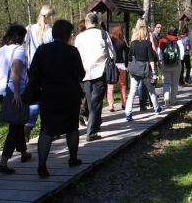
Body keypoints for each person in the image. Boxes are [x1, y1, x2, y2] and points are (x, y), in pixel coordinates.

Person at [28, 20, 86, 178]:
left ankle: (41, 165)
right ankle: (73, 159)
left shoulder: (41, 50)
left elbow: (33, 72)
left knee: (46, 130)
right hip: (69, 95)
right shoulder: (72, 51)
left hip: (48, 95)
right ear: (67, 35)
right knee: (72, 128)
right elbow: (80, 74)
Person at [0, 24, 32, 174]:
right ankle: (3, 162)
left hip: (1, 92)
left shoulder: (0, 51)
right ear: (21, 37)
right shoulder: (19, 50)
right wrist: (16, 92)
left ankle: (23, 153)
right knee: (15, 127)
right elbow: (15, 70)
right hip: (14, 91)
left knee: (17, 122)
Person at [74, 12, 115, 142]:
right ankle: (92, 131)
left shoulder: (79, 37)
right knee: (96, 102)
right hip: (99, 71)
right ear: (96, 22)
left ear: (86, 22)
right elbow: (112, 54)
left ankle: (93, 126)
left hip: (84, 73)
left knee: (91, 101)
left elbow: (75, 55)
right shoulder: (103, 34)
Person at [24, 4, 56, 142]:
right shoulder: (51, 32)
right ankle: (47, 131)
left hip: (32, 69)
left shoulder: (29, 28)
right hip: (47, 70)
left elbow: (24, 47)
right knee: (48, 101)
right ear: (50, 16)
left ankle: (28, 124)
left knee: (34, 98)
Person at [125, 21, 161, 121]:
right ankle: (156, 108)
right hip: (146, 71)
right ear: (145, 33)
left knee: (132, 92)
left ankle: (128, 113)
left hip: (135, 71)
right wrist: (154, 72)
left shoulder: (133, 44)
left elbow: (129, 57)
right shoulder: (148, 44)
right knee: (151, 91)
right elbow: (151, 59)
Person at [158, 27, 185, 107]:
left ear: (168, 32)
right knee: (175, 83)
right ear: (176, 33)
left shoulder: (163, 40)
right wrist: (179, 61)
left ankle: (166, 98)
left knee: (166, 82)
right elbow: (182, 54)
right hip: (176, 65)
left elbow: (159, 53)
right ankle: (173, 100)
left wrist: (161, 61)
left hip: (165, 64)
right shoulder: (179, 41)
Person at [106, 26, 129, 111]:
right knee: (122, 85)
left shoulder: (110, 41)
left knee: (110, 85)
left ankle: (111, 106)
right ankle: (124, 104)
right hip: (121, 65)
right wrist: (126, 42)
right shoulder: (122, 41)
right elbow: (128, 51)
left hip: (112, 65)